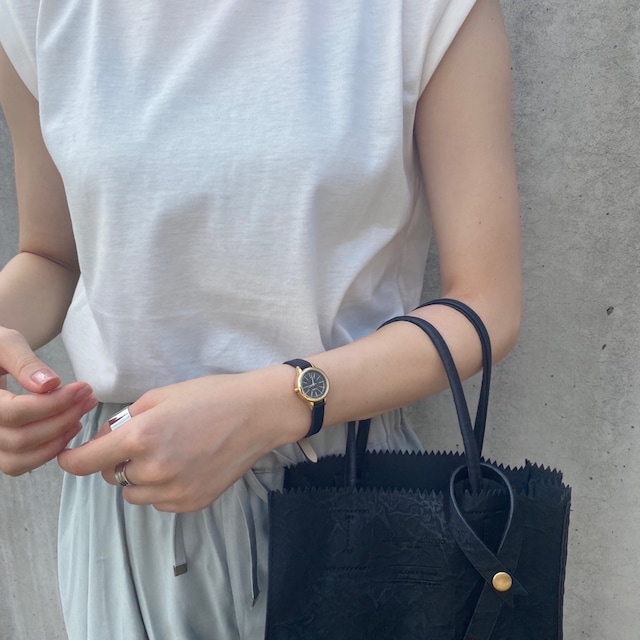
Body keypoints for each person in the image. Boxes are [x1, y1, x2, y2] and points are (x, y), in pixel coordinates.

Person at [0, 0, 521, 638]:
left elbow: (486, 306)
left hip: (350, 492)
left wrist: (274, 404)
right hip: (128, 502)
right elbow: (51, 255)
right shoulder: (35, 12)